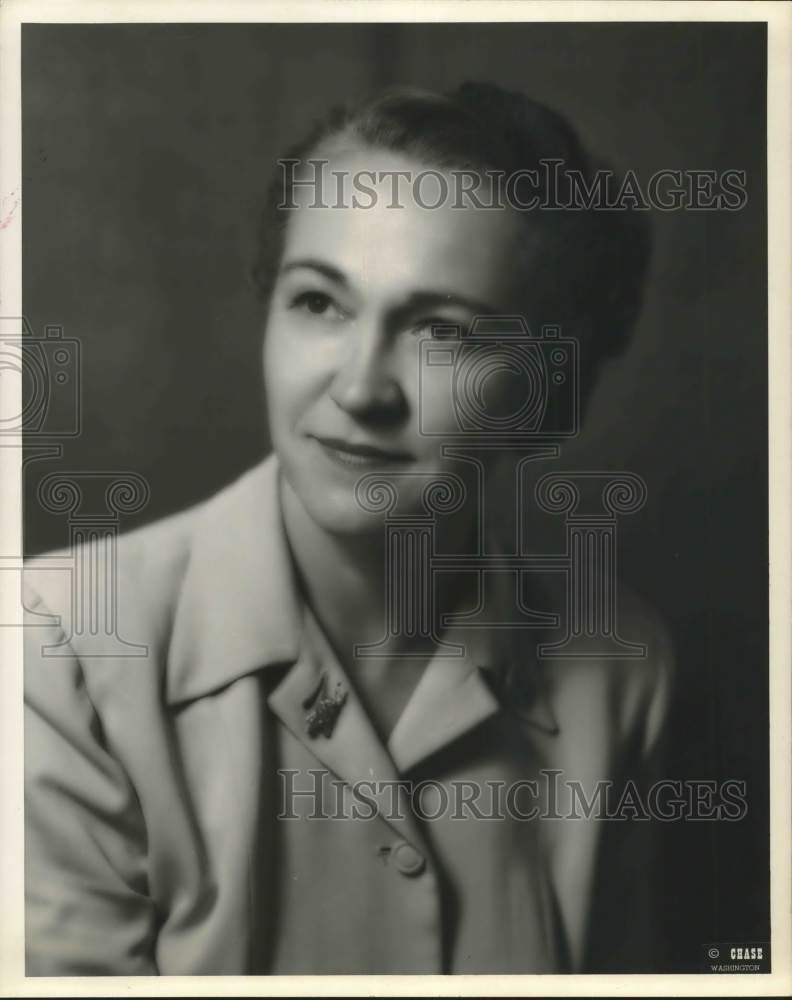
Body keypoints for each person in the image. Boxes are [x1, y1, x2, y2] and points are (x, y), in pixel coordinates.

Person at [23, 82, 674, 975]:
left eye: (443, 331)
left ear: (546, 395)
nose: (362, 389)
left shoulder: (624, 672)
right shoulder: (56, 649)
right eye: (320, 303)